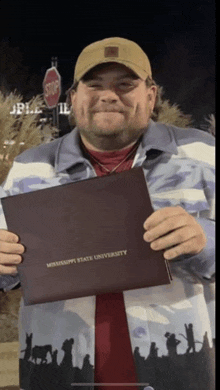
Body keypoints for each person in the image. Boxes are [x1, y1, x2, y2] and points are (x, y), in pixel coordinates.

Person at [0, 37, 215, 390]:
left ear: (151, 94)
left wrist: (206, 239)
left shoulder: (203, 155)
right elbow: (8, 274)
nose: (108, 95)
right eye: (93, 85)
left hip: (179, 370)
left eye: (125, 84)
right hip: (57, 372)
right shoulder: (29, 168)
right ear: (73, 98)